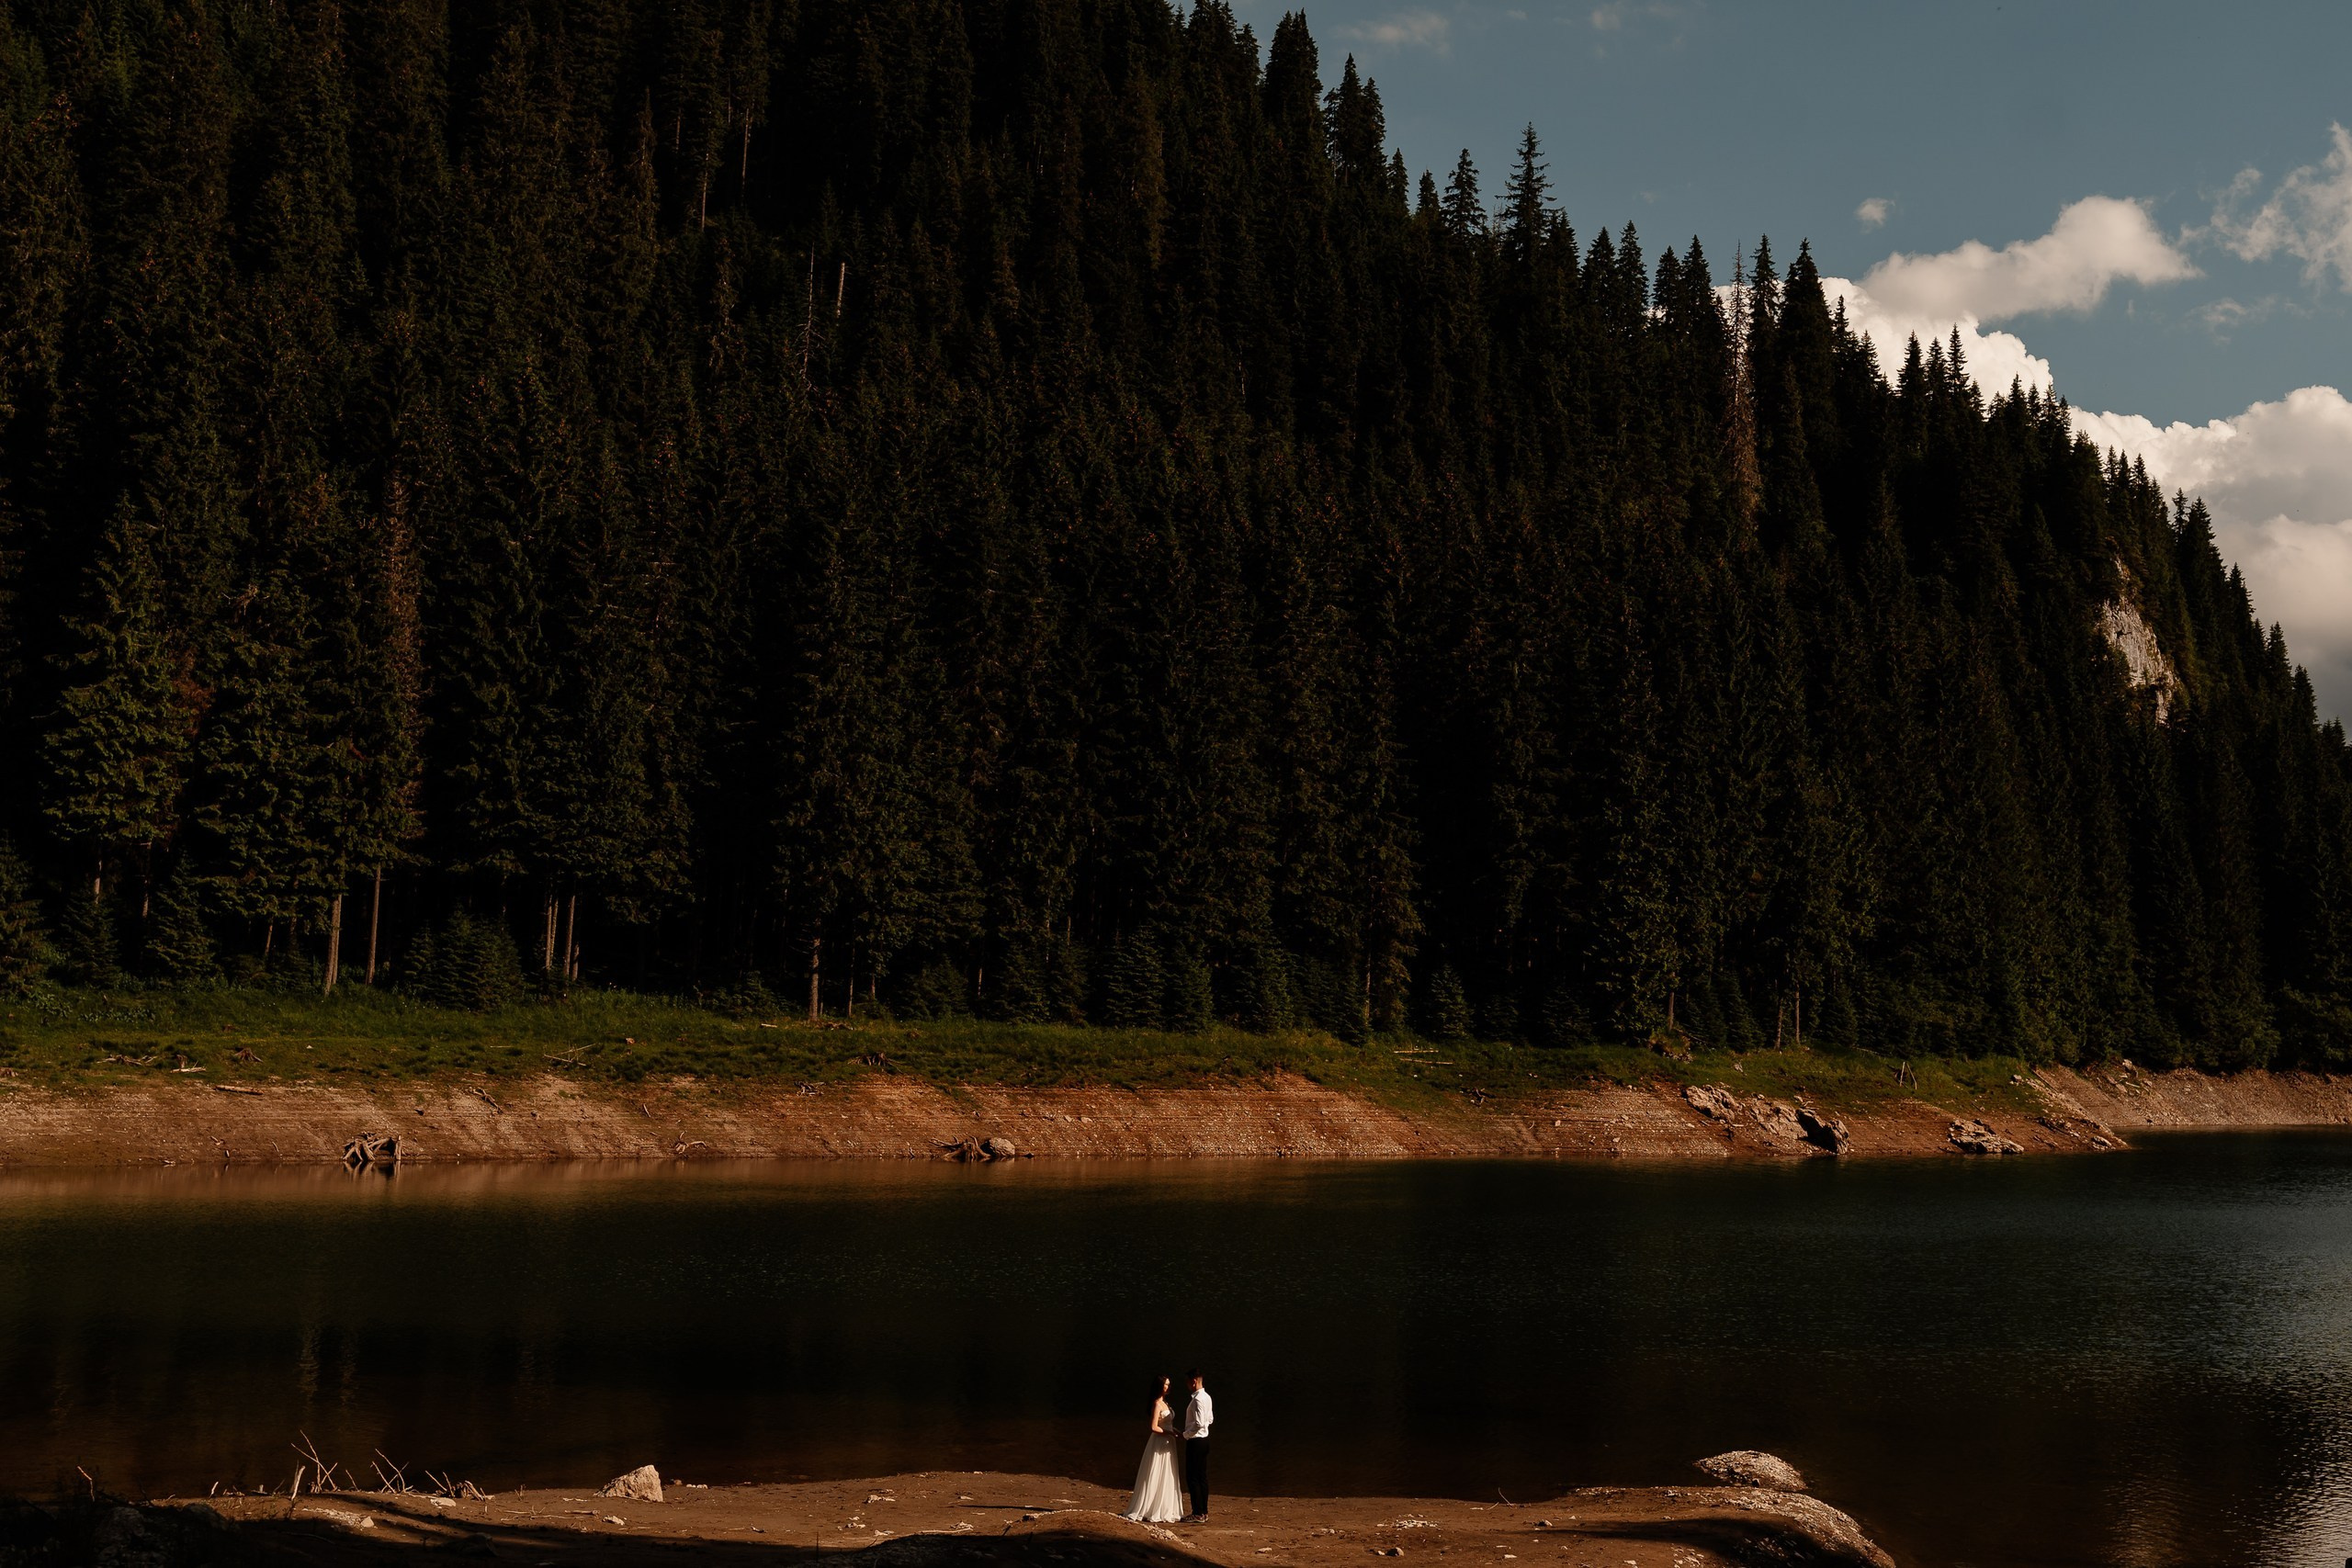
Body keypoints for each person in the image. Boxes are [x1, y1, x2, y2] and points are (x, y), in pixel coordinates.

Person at [1120, 1374, 1188, 1523]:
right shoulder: (1157, 1404)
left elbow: (1168, 1423)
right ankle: (1150, 1507)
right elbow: (1153, 1427)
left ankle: (1165, 1505)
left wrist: (1177, 1432)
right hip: (1159, 1442)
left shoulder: (1166, 1403)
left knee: (1168, 1472)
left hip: (1169, 1442)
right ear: (1159, 1386)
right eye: (1166, 1385)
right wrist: (1170, 1433)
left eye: (1169, 1384)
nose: (1168, 1387)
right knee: (1156, 1471)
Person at [1181, 1370, 1214, 1522]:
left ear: (1194, 1381)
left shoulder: (1198, 1399)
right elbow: (1210, 1419)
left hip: (1196, 1441)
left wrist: (1185, 1434)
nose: (1187, 1385)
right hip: (1204, 1440)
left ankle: (1198, 1512)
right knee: (1202, 1477)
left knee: (1193, 1477)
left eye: (1188, 1382)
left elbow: (1200, 1423)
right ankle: (1203, 1511)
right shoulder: (1207, 1397)